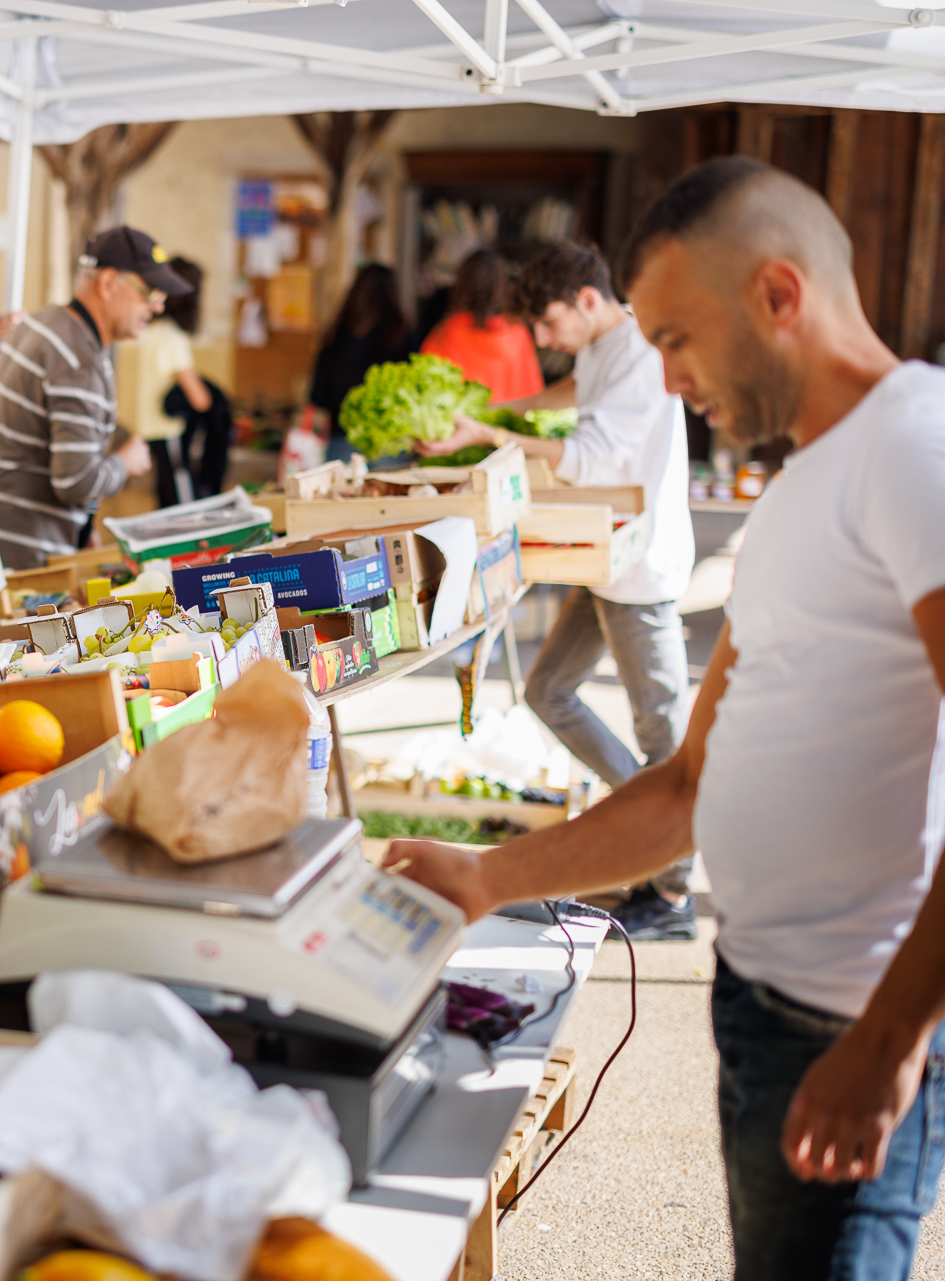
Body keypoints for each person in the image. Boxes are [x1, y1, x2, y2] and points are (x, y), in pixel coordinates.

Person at [390, 158, 945, 1280]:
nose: (667, 380)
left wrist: (889, 1040)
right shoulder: (797, 493)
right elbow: (693, 782)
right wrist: (490, 876)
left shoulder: (914, 450)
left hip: (856, 1025)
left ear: (780, 297)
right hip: (764, 1009)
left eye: (680, 341)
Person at [414, 241, 697, 941]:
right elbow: (571, 396)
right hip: (606, 559)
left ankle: (674, 891)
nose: (543, 339)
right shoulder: (606, 346)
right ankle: (644, 815)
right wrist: (501, 416)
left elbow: (588, 455)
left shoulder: (637, 354)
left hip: (640, 567)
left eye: (547, 324)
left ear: (588, 301)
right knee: (548, 691)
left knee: (662, 729)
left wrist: (487, 428)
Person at [0, 227, 183, 570]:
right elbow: (75, 482)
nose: (157, 305)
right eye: (149, 292)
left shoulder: (45, 323)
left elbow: (57, 429)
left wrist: (83, 523)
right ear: (108, 283)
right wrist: (125, 463)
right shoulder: (78, 359)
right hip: (14, 550)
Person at [130, 256, 221, 508]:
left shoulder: (153, 331)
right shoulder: (171, 337)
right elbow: (200, 399)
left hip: (150, 428)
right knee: (183, 506)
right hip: (167, 429)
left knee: (165, 498)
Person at [309, 264, 417, 463]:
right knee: (391, 492)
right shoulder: (403, 337)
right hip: (391, 442)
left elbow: (318, 395)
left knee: (342, 493)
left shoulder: (336, 336)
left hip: (342, 439)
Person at [418, 249, 543, 403]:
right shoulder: (517, 332)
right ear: (504, 283)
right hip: (507, 422)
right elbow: (533, 389)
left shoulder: (447, 331)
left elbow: (425, 385)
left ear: (461, 282)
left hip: (463, 424)